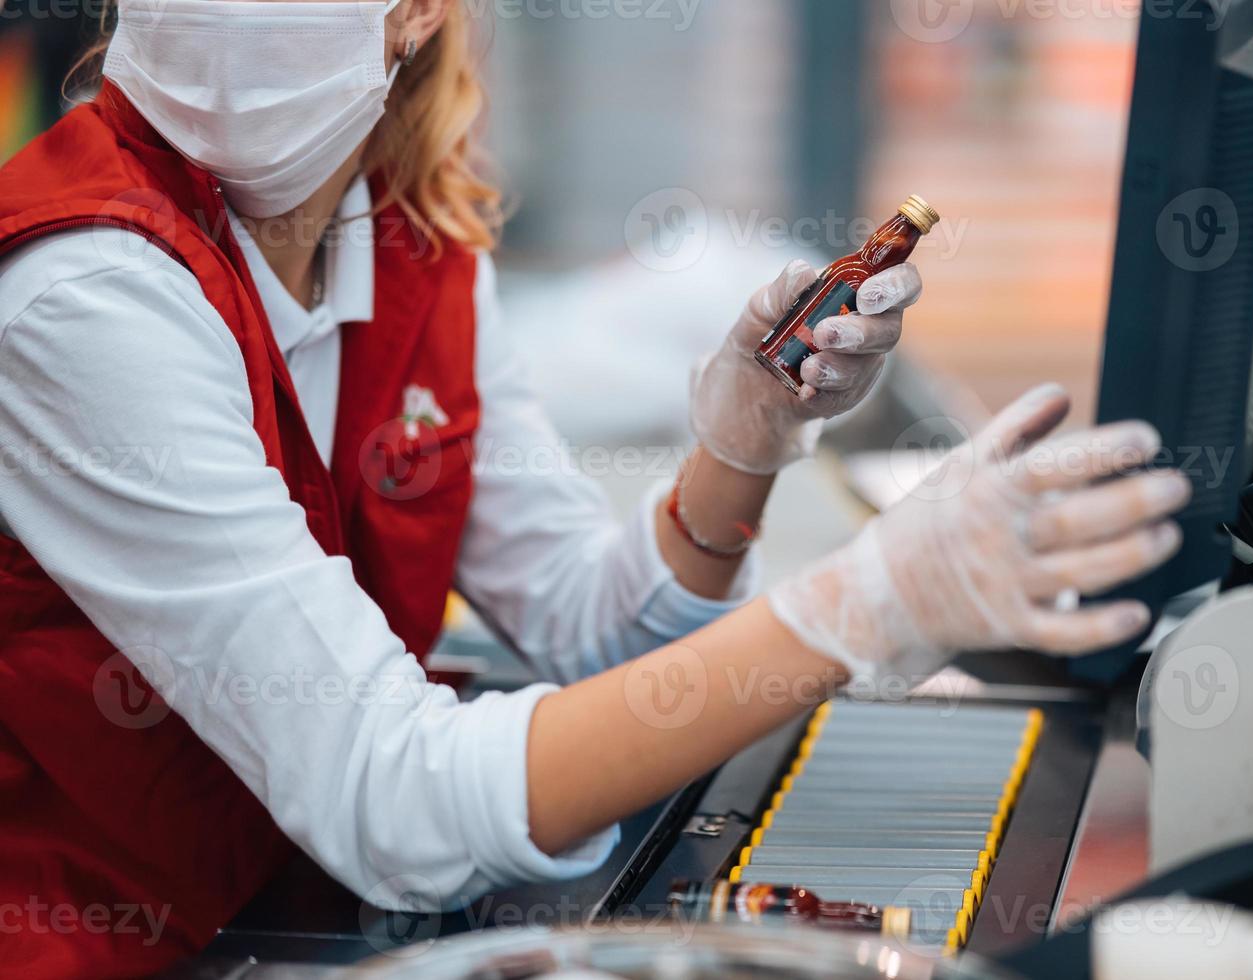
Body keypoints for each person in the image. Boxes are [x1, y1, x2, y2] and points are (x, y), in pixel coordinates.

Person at [0, 0, 1191, 974]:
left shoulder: (407, 239)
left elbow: (584, 624)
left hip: (294, 905)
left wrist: (741, 444)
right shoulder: (84, 294)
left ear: (415, 13)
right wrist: (863, 605)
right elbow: (388, 795)